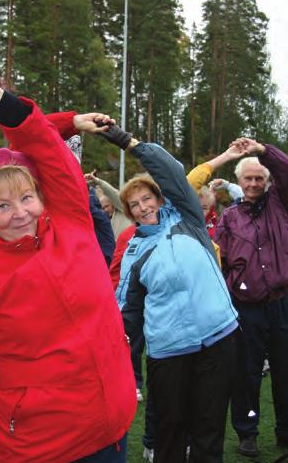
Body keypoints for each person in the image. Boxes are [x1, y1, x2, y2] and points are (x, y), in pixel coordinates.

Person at [0, 54, 135, 462]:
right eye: (2, 206)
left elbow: (45, 148)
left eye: (26, 197)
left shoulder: (71, 222)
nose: (19, 212)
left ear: (41, 195)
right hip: (42, 445)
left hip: (110, 429)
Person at [104, 126, 239, 463]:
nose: (142, 207)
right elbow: (128, 310)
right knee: (170, 430)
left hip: (218, 337)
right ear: (130, 212)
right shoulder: (135, 250)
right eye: (133, 205)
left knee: (209, 429)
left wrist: (129, 143)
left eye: (146, 198)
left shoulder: (188, 217)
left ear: (159, 198)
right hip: (168, 350)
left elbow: (173, 172)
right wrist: (113, 351)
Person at [214, 138, 288, 457]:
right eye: (248, 178)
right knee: (246, 373)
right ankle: (247, 431)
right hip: (246, 308)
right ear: (238, 183)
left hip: (284, 302)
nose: (253, 183)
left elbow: (287, 168)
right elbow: (219, 260)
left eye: (259, 178)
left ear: (267, 181)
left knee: (287, 370)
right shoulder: (229, 218)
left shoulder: (280, 201)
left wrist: (261, 151)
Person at [87, 171, 133, 238]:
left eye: (107, 206)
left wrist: (98, 182)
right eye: (103, 208)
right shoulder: (102, 221)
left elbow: (113, 194)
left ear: (113, 204)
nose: (105, 210)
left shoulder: (124, 210)